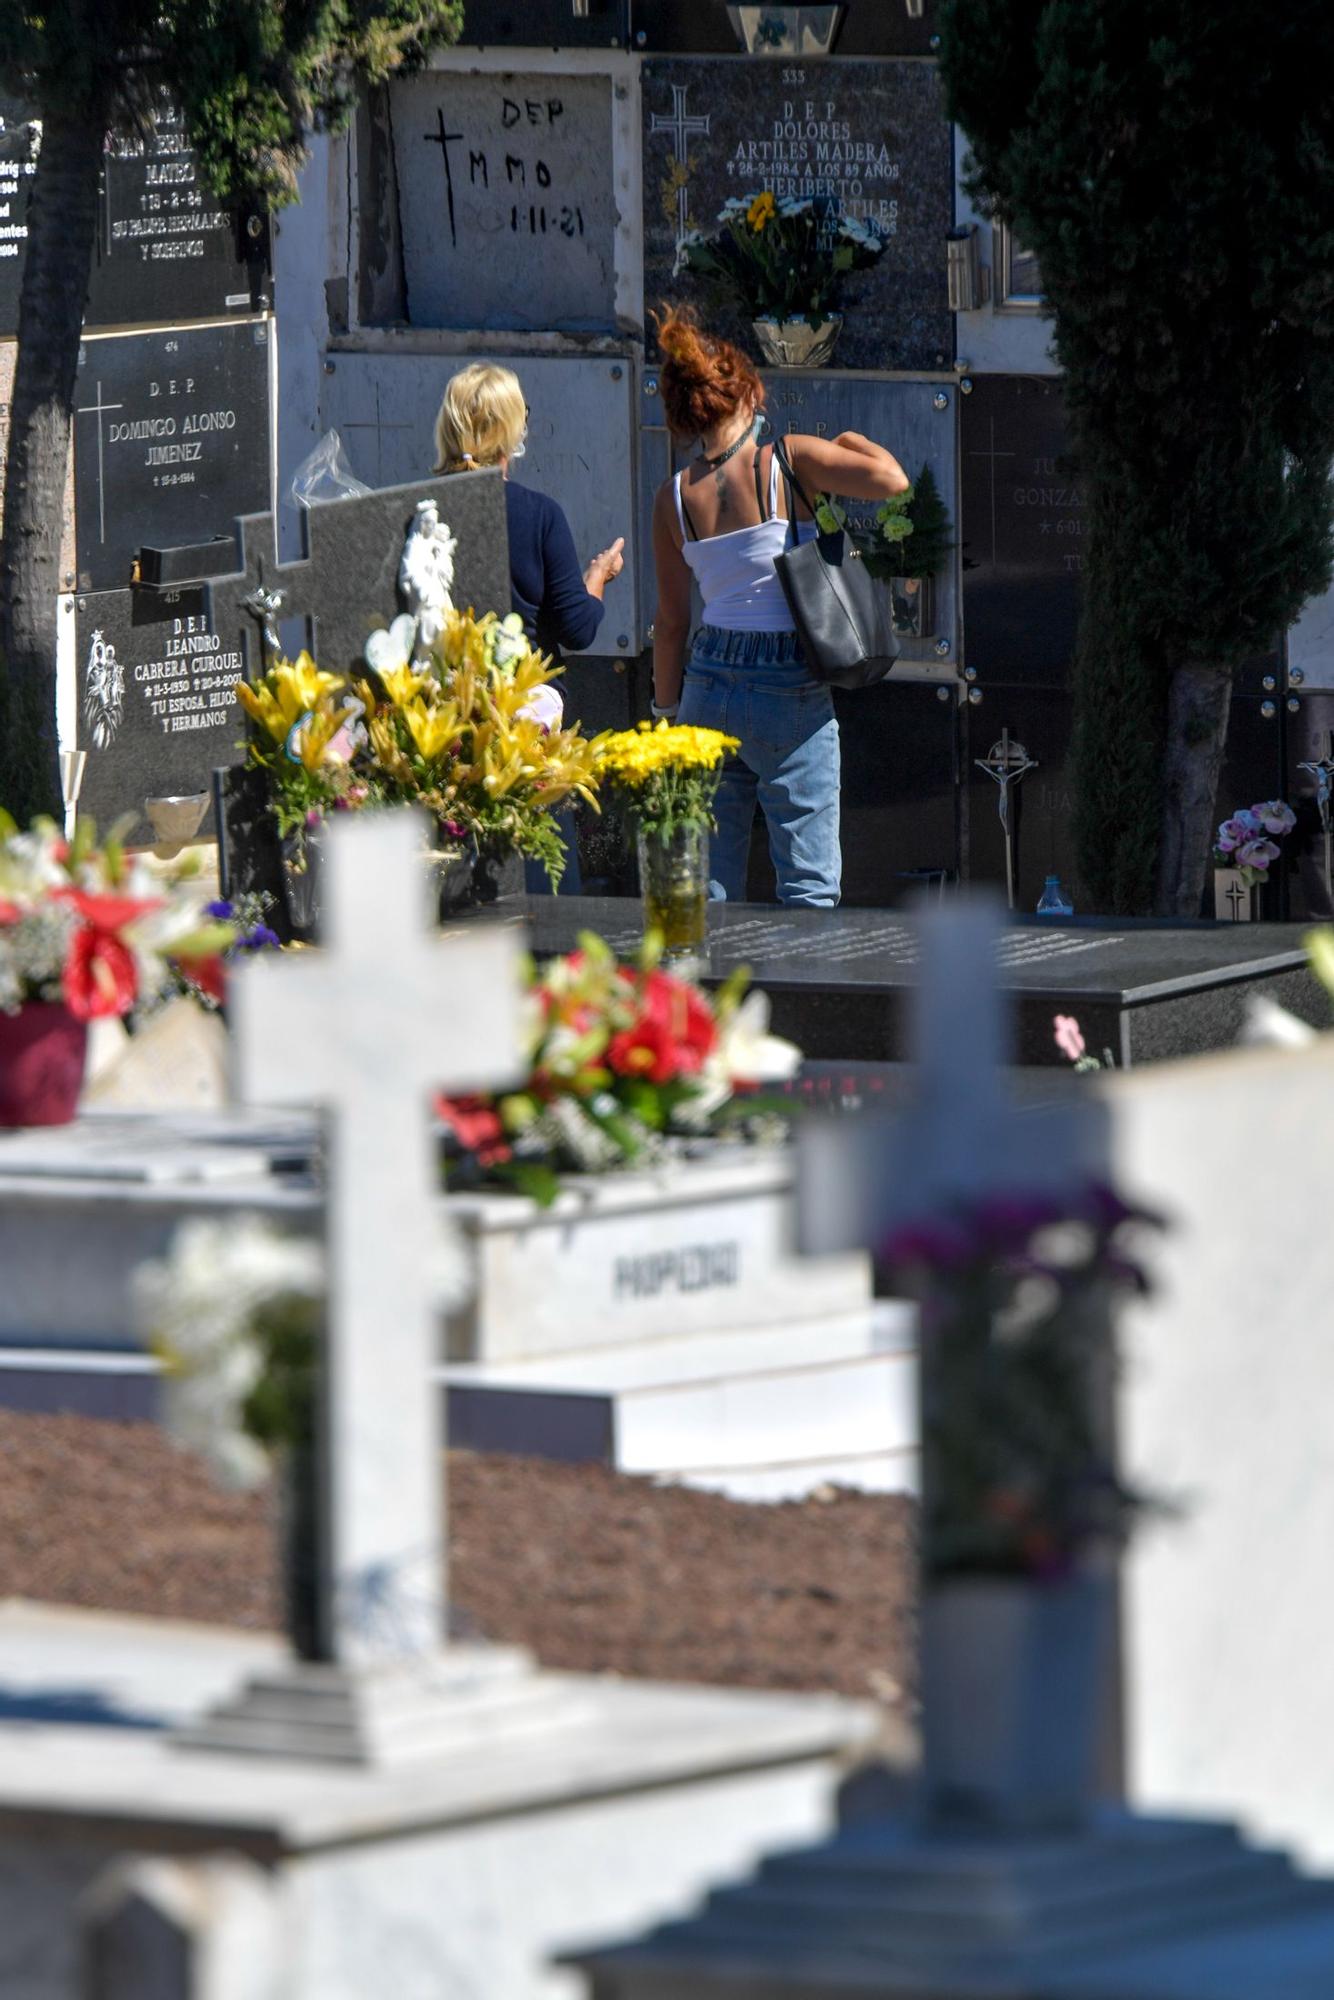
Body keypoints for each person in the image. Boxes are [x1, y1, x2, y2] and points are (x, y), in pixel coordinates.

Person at [651, 310, 908, 907]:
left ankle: (700, 996)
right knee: (809, 885)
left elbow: (670, 623)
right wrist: (849, 444)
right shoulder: (785, 459)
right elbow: (892, 480)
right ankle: (805, 1001)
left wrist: (667, 718)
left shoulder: (672, 499)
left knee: (703, 887)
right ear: (746, 390)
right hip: (787, 683)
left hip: (707, 682)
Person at [434, 362, 624, 890]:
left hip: (440, 725)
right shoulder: (539, 515)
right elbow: (579, 628)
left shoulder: (419, 509)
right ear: (511, 433)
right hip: (525, 729)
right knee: (541, 878)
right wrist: (597, 577)